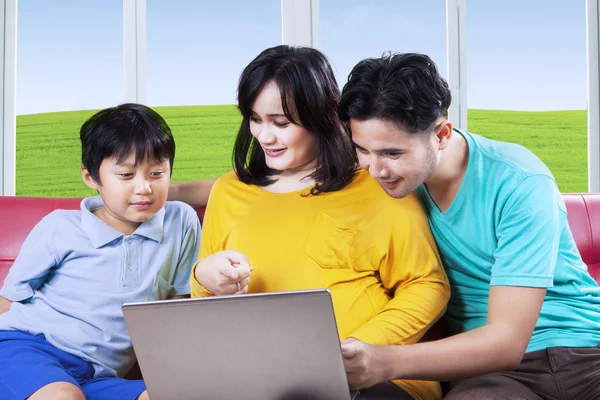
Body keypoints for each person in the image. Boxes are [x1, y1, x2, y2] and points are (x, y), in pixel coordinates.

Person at [183, 45, 450, 400]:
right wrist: (205, 276)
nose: (264, 136)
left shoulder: (376, 184)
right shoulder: (229, 192)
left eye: (280, 123)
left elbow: (427, 285)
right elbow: (208, 304)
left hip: (374, 380)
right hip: (263, 380)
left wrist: (357, 351)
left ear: (321, 118)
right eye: (255, 119)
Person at [337, 52, 600, 399]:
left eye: (392, 153)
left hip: (585, 351)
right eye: (362, 150)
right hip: (496, 377)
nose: (375, 169)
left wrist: (384, 361)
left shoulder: (519, 181)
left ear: (442, 134)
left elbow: (507, 341)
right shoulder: (381, 186)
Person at [0, 103, 202, 400]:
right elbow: (9, 299)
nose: (144, 187)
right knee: (62, 396)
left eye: (157, 173)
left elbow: (174, 312)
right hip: (29, 347)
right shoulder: (60, 226)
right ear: (91, 178)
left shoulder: (181, 222)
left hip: (100, 375)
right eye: (126, 175)